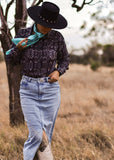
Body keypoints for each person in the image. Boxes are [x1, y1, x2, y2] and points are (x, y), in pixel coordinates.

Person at [6, 1, 69, 160]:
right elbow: (11, 61)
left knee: (44, 135)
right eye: (44, 24)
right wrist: (18, 48)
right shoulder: (23, 34)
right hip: (28, 89)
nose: (47, 28)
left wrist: (58, 71)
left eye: (51, 25)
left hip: (50, 90)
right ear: (38, 20)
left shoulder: (56, 37)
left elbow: (64, 60)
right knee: (37, 134)